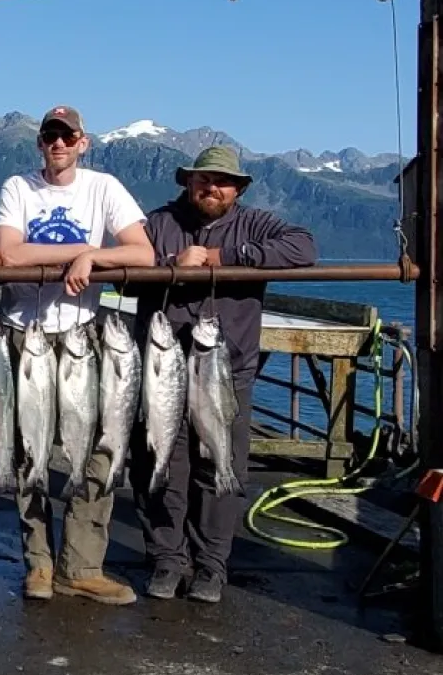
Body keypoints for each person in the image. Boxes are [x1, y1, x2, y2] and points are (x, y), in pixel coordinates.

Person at [127, 145, 317, 604]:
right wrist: (171, 266)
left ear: (238, 189)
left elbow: (305, 247)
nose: (212, 187)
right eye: (203, 179)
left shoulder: (257, 223)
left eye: (222, 181)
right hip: (162, 370)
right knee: (161, 464)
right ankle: (167, 559)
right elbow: (123, 271)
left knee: (218, 469)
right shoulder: (157, 223)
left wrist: (222, 257)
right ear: (187, 182)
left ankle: (212, 566)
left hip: (228, 371)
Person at [0, 104, 154, 605]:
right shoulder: (17, 187)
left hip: (84, 335)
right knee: (29, 451)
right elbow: (10, 254)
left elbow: (142, 252)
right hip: (23, 334)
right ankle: (38, 564)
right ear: (40, 144)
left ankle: (81, 566)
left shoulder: (104, 187)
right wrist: (77, 251)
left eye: (68, 136)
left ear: (83, 142)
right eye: (50, 136)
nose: (58, 144)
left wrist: (93, 255)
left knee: (100, 449)